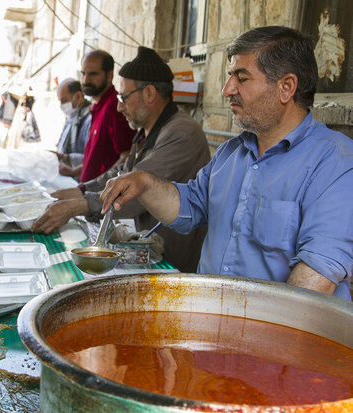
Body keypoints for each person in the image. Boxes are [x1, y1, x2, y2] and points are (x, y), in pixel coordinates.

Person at [100, 26, 353, 300]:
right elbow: (189, 207)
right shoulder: (232, 152)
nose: (226, 90)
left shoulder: (335, 162)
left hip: (273, 333)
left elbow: (315, 282)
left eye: (241, 78)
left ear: (286, 87)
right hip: (211, 317)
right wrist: (144, 182)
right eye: (230, 77)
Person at [33, 46, 210, 272]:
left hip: (175, 264)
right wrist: (80, 191)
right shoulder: (145, 132)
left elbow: (133, 188)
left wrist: (79, 205)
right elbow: (118, 175)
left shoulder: (182, 133)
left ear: (149, 93)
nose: (119, 106)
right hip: (150, 252)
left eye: (124, 97)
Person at [78, 49, 134, 182]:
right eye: (83, 74)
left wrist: (100, 188)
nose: (86, 80)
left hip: (100, 198)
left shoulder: (115, 106)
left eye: (93, 74)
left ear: (109, 76)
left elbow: (126, 157)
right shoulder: (98, 106)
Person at [53, 78, 92, 178]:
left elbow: (93, 159)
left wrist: (65, 158)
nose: (61, 105)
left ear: (78, 96)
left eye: (64, 100)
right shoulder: (72, 116)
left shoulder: (89, 119)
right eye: (60, 101)